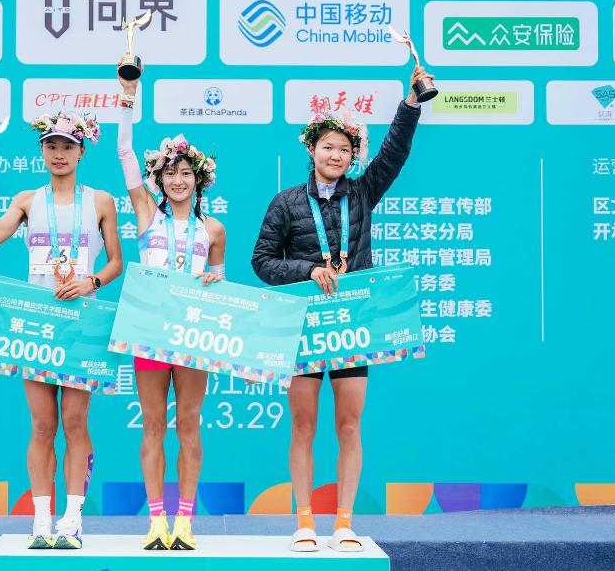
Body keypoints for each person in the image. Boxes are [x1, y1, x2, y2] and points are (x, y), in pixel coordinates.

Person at [251, 66, 434, 553]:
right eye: (328, 146)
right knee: (303, 426)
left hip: (354, 324)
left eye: (345, 149)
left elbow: (395, 152)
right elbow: (262, 262)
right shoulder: (286, 203)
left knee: (350, 425)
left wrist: (410, 104)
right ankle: (305, 520)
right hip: (305, 327)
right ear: (311, 150)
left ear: (354, 155)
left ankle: (345, 522)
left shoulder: (363, 192)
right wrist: (308, 270)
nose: (336, 155)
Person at [0, 110, 124, 550]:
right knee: (42, 425)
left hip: (81, 322)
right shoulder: (26, 200)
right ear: (42, 151)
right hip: (35, 324)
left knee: (75, 422)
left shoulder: (100, 201)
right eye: (51, 146)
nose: (59, 154)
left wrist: (91, 282)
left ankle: (72, 520)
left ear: (81, 152)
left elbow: (115, 261)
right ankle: (41, 520)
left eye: (67, 147)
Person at [116, 64, 226, 551]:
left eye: (186, 173)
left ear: (198, 179)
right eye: (170, 173)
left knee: (190, 425)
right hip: (149, 332)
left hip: (195, 334)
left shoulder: (214, 229)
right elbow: (124, 152)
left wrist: (214, 283)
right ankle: (156, 521)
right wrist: (127, 96)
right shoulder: (146, 213)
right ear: (158, 178)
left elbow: (220, 284)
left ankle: (185, 520)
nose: (178, 180)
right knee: (154, 424)